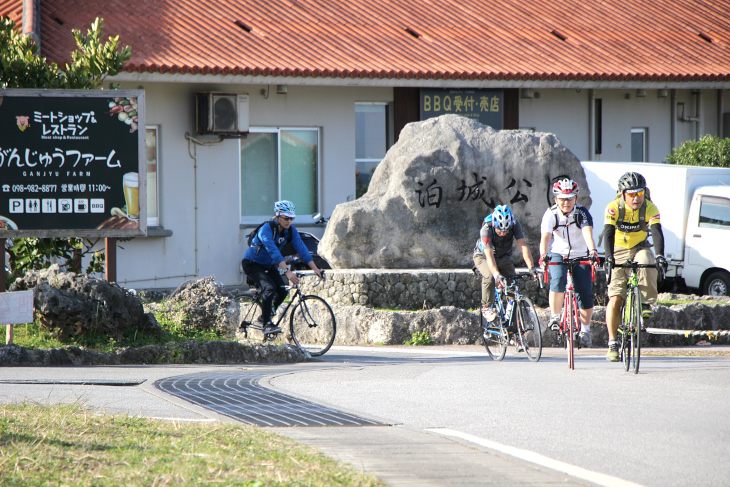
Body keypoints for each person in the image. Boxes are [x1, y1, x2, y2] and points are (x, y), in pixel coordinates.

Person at [602, 172, 666, 362]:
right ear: (622, 194)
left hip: (639, 246)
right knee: (615, 298)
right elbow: (608, 233)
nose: (636, 198)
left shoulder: (649, 207)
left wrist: (660, 255)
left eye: (639, 193)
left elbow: (656, 232)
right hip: (618, 248)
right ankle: (613, 342)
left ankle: (645, 303)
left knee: (648, 259)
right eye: (631, 194)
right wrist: (608, 258)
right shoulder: (613, 208)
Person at [241, 200, 324, 334]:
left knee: (282, 290)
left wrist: (316, 269)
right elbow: (273, 251)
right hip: (252, 263)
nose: (289, 221)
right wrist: (287, 271)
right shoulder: (266, 229)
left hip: (268, 265)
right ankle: (267, 324)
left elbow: (302, 249)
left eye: (291, 218)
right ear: (278, 216)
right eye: (286, 218)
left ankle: (264, 316)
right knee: (269, 287)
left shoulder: (290, 231)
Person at [539, 178, 599, 348]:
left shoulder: (582, 213)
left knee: (585, 292)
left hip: (580, 254)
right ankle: (555, 317)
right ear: (556, 199)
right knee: (557, 280)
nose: (566, 202)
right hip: (558, 253)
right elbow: (545, 238)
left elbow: (588, 234)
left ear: (576, 199)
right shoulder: (550, 214)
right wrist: (543, 255)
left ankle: (585, 330)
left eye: (570, 198)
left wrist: (593, 252)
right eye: (562, 198)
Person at [473, 205, 537, 322]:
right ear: (494, 225)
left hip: (503, 257)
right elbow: (489, 255)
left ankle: (511, 326)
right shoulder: (486, 229)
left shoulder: (515, 225)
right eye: (499, 230)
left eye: (505, 231)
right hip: (483, 256)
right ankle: (486, 307)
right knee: (489, 276)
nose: (502, 233)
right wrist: (497, 275)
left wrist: (531, 268)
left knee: (513, 287)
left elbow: (523, 246)